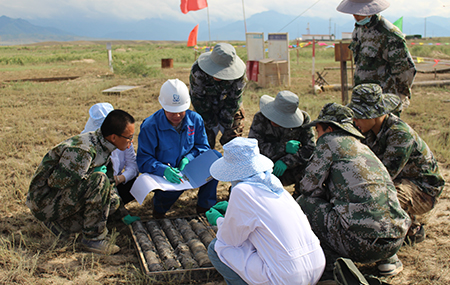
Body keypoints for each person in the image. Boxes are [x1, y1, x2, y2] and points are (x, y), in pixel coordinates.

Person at [297, 102, 411, 279]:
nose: (317, 136)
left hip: (360, 245)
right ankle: (388, 259)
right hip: (395, 238)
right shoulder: (363, 148)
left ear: (328, 128)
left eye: (317, 130)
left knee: (304, 203)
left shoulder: (329, 141)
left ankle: (331, 266)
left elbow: (308, 187)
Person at [206, 137, 325, 285]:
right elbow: (261, 216)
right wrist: (231, 209)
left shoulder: (242, 191)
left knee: (218, 247)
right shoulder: (273, 182)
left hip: (287, 277)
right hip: (317, 264)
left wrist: (218, 220)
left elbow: (230, 239)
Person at [26, 109, 136, 255]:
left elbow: (109, 186)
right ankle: (93, 239)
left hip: (61, 197)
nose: (131, 141)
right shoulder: (83, 151)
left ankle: (61, 225)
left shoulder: (103, 146)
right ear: (114, 137)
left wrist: (122, 215)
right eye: (129, 137)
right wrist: (90, 180)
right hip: (45, 201)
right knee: (98, 180)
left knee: (107, 195)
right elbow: (56, 184)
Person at [348, 83, 445, 245]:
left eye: (359, 115)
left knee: (381, 204)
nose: (354, 120)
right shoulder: (368, 129)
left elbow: (383, 177)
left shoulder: (399, 134)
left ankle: (409, 228)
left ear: (374, 114)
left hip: (423, 189)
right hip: (399, 180)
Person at [136, 79, 220, 219]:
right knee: (167, 196)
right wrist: (163, 169)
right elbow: (144, 160)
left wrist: (188, 158)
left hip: (189, 167)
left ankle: (205, 207)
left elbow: (203, 147)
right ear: (162, 106)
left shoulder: (195, 120)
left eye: (180, 111)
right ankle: (159, 209)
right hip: (165, 173)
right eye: (171, 111)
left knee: (215, 158)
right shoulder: (150, 126)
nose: (176, 116)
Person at [336, 0, 416, 112]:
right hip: (362, 99)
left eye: (359, 12)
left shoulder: (389, 34)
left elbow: (405, 71)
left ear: (370, 10)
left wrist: (397, 99)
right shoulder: (359, 29)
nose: (355, 15)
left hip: (382, 102)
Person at [248, 90, 315, 199]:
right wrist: (283, 148)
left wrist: (287, 161)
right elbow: (253, 147)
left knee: (312, 166)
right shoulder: (260, 119)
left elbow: (310, 149)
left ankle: (300, 198)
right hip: (265, 168)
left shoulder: (304, 120)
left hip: (290, 169)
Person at [189, 42, 247, 149]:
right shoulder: (198, 71)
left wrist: (225, 122)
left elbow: (234, 100)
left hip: (229, 107)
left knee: (234, 142)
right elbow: (197, 99)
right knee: (204, 142)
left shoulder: (240, 73)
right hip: (205, 106)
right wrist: (212, 123)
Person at [81, 103, 139, 205]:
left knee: (135, 184)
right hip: (94, 189)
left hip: (115, 183)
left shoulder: (124, 139)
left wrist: (120, 178)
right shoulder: (85, 147)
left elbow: (133, 166)